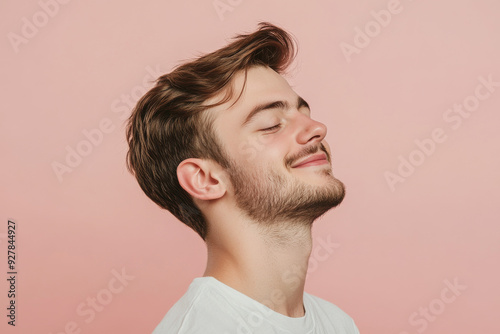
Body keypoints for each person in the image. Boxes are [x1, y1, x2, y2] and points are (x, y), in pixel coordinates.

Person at [126, 22, 359, 334]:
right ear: (205, 180)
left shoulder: (337, 323)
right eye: (271, 123)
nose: (316, 128)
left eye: (303, 112)